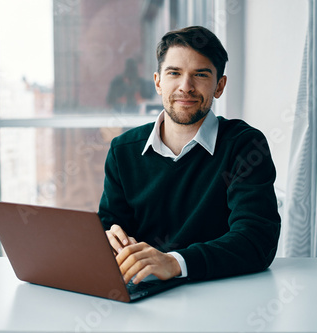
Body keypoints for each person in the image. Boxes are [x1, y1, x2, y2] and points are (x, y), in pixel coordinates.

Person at [98, 26, 281, 285]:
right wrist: (107, 239)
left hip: (221, 294)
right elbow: (109, 229)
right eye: (174, 73)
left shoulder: (245, 145)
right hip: (143, 295)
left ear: (219, 86)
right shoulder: (122, 150)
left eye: (200, 75)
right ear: (158, 82)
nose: (186, 87)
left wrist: (174, 263)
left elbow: (256, 241)